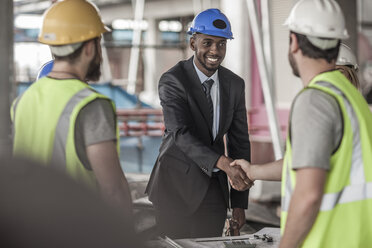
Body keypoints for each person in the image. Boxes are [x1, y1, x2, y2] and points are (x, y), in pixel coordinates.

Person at [231, 0, 372, 247]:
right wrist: (254, 171)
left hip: (328, 241)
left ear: (294, 41)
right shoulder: (352, 99)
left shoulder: (315, 99)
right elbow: (309, 161)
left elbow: (308, 195)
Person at [11, 0, 132, 217]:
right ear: (89, 48)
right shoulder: (91, 105)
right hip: (75, 230)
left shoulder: (23, 100)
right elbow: (113, 191)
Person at [145, 8, 251, 239]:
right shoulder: (173, 80)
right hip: (174, 188)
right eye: (207, 43)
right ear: (193, 43)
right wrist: (222, 162)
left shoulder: (234, 85)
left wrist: (240, 203)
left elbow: (240, 141)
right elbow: (180, 133)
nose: (215, 50)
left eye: (221, 44)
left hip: (213, 190)